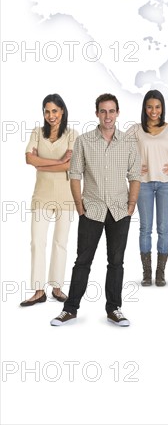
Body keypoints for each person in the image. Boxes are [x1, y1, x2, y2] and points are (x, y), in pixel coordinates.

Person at [50, 93, 141, 327]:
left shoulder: (129, 143)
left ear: (118, 113)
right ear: (97, 113)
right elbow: (74, 174)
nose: (107, 116)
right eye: (103, 111)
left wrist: (131, 205)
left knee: (116, 262)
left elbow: (135, 176)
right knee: (83, 261)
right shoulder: (84, 141)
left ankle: (114, 309)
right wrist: (80, 206)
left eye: (112, 111)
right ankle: (69, 309)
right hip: (91, 209)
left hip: (120, 210)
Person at [127, 90, 168, 287]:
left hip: (166, 185)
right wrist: (133, 167)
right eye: (149, 107)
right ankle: (147, 273)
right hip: (143, 183)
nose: (153, 111)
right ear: (144, 108)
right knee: (145, 228)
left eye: (157, 107)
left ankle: (160, 272)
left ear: (162, 108)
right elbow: (118, 150)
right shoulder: (136, 130)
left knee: (163, 228)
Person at [21, 94, 78, 307]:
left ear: (62, 111)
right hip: (42, 195)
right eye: (47, 111)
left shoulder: (72, 135)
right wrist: (55, 161)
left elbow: (69, 165)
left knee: (60, 243)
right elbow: (28, 158)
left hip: (66, 197)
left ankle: (56, 287)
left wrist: (41, 163)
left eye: (55, 111)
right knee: (37, 242)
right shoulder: (37, 132)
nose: (51, 115)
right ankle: (38, 290)